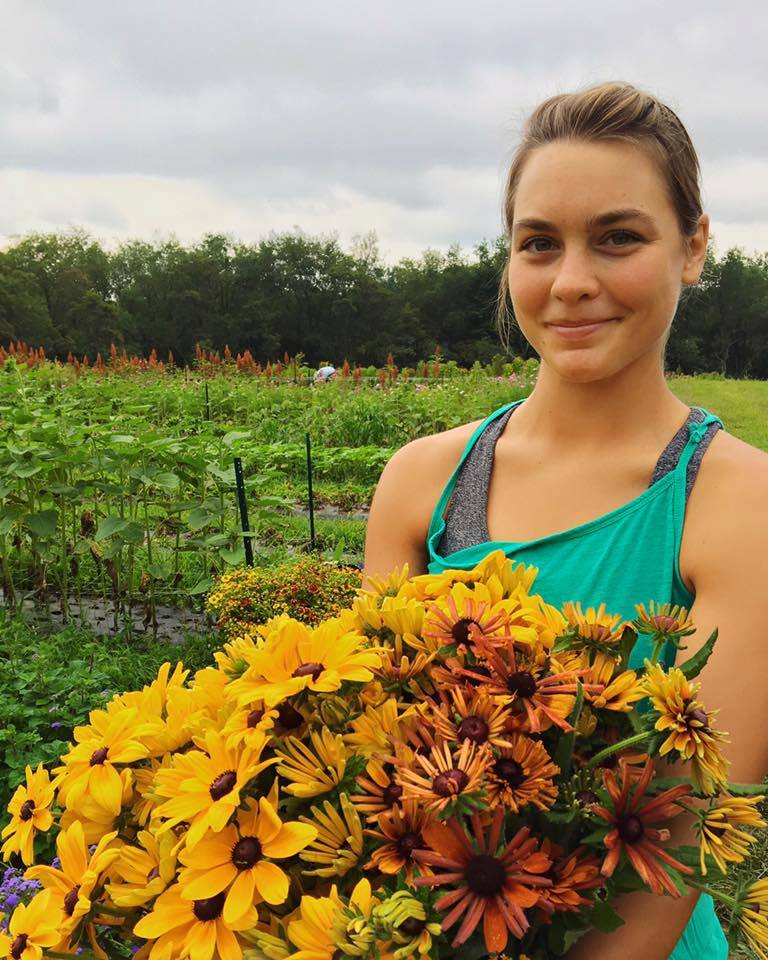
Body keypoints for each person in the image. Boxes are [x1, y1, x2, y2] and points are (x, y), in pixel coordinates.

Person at [363, 81, 768, 960]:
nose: (572, 282)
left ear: (694, 248)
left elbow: (679, 839)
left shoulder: (739, 502)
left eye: (619, 238)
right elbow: (369, 757)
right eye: (539, 243)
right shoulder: (421, 484)